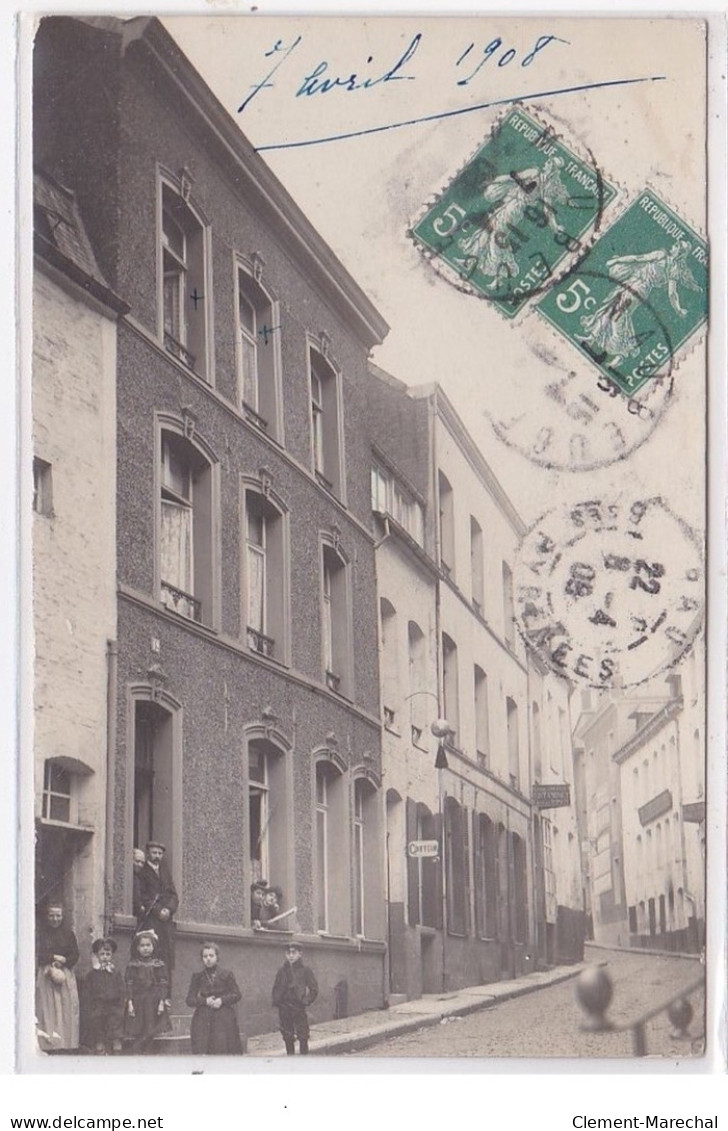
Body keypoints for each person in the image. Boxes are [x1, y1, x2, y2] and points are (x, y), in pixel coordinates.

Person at [577, 238, 702, 369]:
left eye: (677, 246)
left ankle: (621, 354)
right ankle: (592, 339)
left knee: (619, 316)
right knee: (610, 309)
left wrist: (678, 309)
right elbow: (638, 259)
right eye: (676, 244)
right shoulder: (662, 256)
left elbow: (672, 293)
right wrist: (618, 260)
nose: (674, 246)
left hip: (640, 289)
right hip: (632, 281)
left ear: (680, 253)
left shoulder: (672, 268)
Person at [456, 155, 575, 291]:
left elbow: (547, 210)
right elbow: (511, 177)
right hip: (506, 203)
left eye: (550, 163)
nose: (547, 164)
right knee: (486, 231)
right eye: (548, 161)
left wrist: (554, 226)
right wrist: (495, 183)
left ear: (553, 169)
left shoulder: (545, 187)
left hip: (513, 210)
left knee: (495, 239)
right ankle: (472, 263)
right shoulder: (534, 173)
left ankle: (496, 274)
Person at [36, 902, 80, 1052]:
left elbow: (75, 954)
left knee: (65, 1008)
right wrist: (53, 957)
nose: (55, 919)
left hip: (65, 974)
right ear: (47, 916)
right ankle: (48, 1044)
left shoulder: (68, 934)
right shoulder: (41, 933)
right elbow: (37, 954)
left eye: (58, 915)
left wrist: (65, 961)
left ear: (63, 916)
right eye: (52, 915)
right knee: (48, 1008)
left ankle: (66, 1043)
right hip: (46, 974)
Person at [185, 942, 244, 1055]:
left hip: (223, 1018)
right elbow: (189, 1000)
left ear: (217, 957)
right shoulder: (197, 977)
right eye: (205, 956)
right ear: (202, 959)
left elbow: (237, 994)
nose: (208, 959)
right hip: (203, 1019)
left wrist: (221, 1000)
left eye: (211, 956)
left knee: (224, 1049)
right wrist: (205, 1001)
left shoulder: (227, 974)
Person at [135, 841, 179, 983]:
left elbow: (174, 895)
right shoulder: (142, 872)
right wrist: (158, 910)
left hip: (166, 923)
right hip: (151, 921)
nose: (157, 856)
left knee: (165, 958)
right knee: (151, 955)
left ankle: (165, 997)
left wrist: (169, 909)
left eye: (160, 854)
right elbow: (143, 896)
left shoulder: (165, 872)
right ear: (148, 854)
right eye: (154, 853)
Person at [124, 929, 171, 1053]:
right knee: (138, 1028)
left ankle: (148, 1051)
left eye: (148, 945)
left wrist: (162, 1001)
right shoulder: (133, 965)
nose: (145, 948)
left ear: (153, 946)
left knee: (150, 1028)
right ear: (137, 948)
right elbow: (129, 983)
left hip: (153, 1001)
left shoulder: (159, 964)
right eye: (142, 945)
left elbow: (163, 983)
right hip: (138, 1000)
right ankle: (137, 1052)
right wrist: (129, 1002)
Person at [271, 942, 318, 1055]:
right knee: (287, 1036)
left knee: (303, 1036)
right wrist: (277, 1001)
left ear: (300, 954)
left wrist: (306, 1000)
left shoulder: (305, 970)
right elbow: (276, 987)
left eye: (294, 953)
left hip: (298, 1007)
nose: (291, 956)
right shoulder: (281, 971)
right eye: (288, 953)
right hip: (284, 1008)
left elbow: (314, 989)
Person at [82, 938, 125, 1055]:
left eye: (108, 954)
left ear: (112, 955)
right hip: (98, 1006)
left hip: (113, 1006)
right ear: (97, 955)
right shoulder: (92, 974)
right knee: (97, 1024)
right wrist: (91, 1006)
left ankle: (117, 1048)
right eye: (102, 954)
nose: (105, 956)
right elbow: (88, 992)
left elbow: (121, 990)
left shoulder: (115, 972)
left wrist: (120, 1005)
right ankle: (99, 1047)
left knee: (115, 1024)